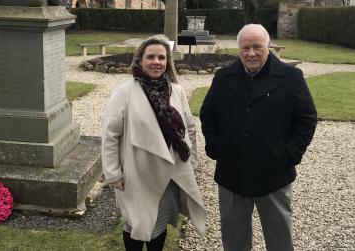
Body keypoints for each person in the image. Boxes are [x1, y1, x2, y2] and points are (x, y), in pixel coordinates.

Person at [200, 24, 317, 251]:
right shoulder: (224, 77)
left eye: (257, 47)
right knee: (234, 238)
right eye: (245, 48)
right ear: (238, 49)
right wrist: (216, 147)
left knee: (279, 238)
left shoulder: (291, 77)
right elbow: (208, 114)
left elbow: (307, 119)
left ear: (268, 46)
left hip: (273, 173)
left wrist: (289, 154)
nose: (251, 53)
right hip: (231, 173)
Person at [102, 35, 206, 251]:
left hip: (169, 173)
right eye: (151, 57)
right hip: (137, 173)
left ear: (168, 61)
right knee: (136, 224)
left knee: (159, 224)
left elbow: (190, 128)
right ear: (140, 60)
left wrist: (191, 163)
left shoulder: (176, 90)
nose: (156, 62)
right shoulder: (125, 92)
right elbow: (110, 135)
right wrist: (113, 173)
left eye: (161, 57)